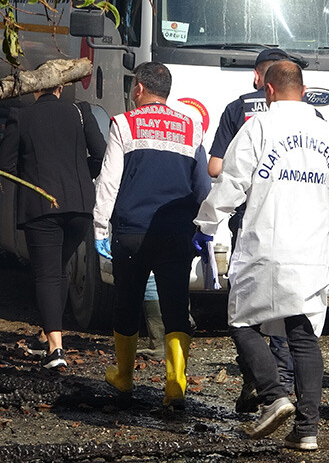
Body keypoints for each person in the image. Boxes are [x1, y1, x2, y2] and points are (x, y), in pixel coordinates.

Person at [193, 61, 329, 450]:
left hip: (264, 249)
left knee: (241, 323)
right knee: (303, 335)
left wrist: (204, 225)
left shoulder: (259, 127)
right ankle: (307, 431)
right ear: (303, 90)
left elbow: (232, 183)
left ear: (268, 91)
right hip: (310, 251)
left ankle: (273, 396)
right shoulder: (327, 135)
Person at [93, 62, 210, 410]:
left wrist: (101, 226)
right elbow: (202, 185)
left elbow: (109, 180)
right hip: (176, 231)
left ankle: (124, 378)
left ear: (140, 90)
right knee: (176, 305)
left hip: (132, 231)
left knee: (126, 302)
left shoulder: (124, 123)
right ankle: (175, 386)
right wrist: (204, 227)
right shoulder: (192, 126)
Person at [209, 47, 297, 412]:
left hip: (248, 222)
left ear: (259, 79)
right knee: (285, 306)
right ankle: (285, 384)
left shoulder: (237, 110)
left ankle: (256, 383)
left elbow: (216, 168)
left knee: (245, 308)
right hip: (292, 221)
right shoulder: (306, 118)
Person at [0, 83, 106, 369]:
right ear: (61, 86)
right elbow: (101, 154)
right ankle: (45, 334)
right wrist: (81, 178)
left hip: (41, 206)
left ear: (36, 88)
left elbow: (5, 165)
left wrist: (32, 180)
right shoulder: (81, 111)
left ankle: (56, 350)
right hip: (81, 207)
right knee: (59, 269)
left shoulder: (20, 117)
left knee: (47, 274)